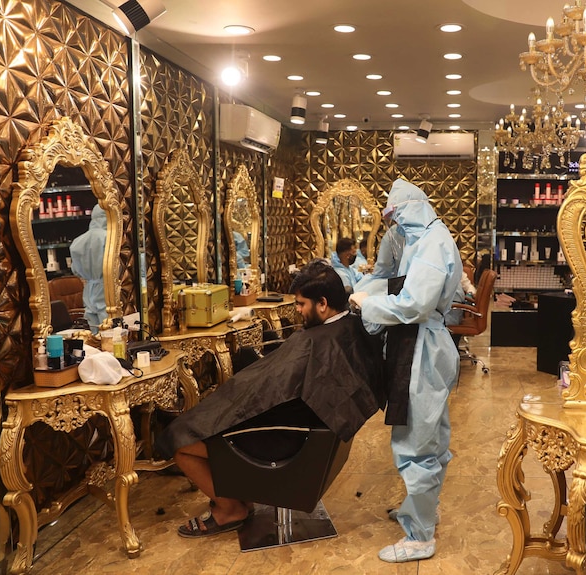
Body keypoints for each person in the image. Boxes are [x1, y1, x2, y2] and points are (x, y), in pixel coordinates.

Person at [156, 260, 383, 538]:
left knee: (180, 440)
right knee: (218, 409)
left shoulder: (317, 342)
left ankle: (230, 509)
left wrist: (236, 397)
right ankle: (243, 497)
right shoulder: (348, 326)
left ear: (322, 303)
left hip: (286, 436)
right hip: (303, 423)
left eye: (301, 304)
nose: (298, 311)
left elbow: (270, 389)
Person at [349, 178, 462, 563]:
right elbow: (390, 277)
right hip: (420, 345)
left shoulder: (432, 243)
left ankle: (420, 537)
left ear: (411, 208)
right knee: (430, 437)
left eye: (395, 215)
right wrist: (367, 290)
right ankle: (423, 511)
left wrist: (367, 306)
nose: (393, 223)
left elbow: (413, 305)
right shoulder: (421, 238)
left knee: (418, 444)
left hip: (423, 348)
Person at [69, 204, 108, 332]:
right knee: (110, 333)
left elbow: (75, 270)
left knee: (94, 334)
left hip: (89, 290)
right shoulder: (109, 238)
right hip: (106, 289)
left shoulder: (77, 242)